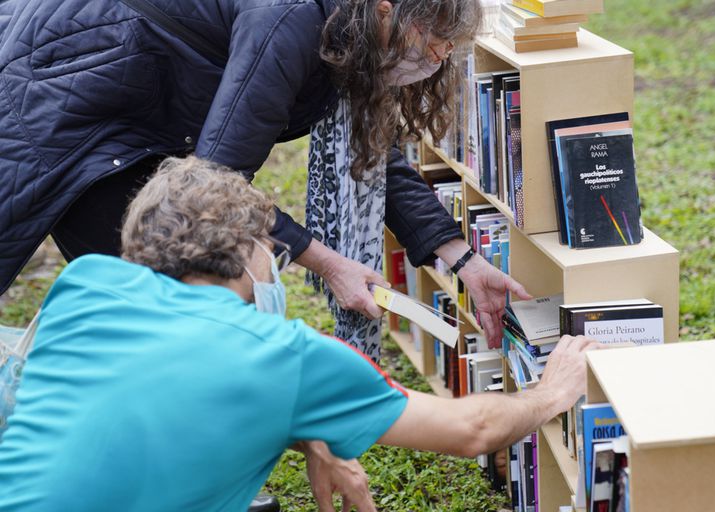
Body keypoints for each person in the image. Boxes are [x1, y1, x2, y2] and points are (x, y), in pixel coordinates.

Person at [0, 157, 599, 512]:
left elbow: (162, 390)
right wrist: (551, 391)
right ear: (245, 251)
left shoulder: (85, 282)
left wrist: (310, 430)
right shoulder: (288, 358)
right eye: (273, 250)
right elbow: (474, 429)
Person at [0, 0, 530, 361]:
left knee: (171, 300)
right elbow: (215, 188)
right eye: (434, 39)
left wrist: (464, 259)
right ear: (388, 9)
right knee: (189, 288)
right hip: (62, 93)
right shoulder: (292, 19)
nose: (438, 58)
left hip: (131, 109)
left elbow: (374, 154)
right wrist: (326, 260)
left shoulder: (350, 24)